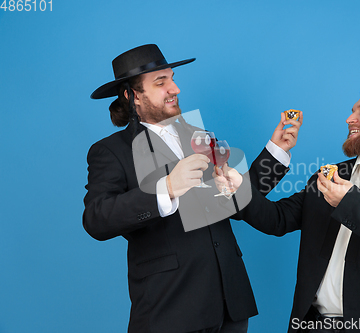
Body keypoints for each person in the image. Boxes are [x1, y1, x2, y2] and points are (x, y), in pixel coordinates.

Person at [83, 44, 302, 333]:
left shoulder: (201, 138)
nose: (175, 88)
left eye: (172, 78)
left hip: (230, 304)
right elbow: (97, 219)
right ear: (132, 95)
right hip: (171, 308)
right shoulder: (111, 151)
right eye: (161, 83)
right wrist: (167, 188)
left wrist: (277, 151)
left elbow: (235, 199)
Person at [218, 85, 360, 332]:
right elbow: (277, 219)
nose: (350, 119)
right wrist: (239, 187)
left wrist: (350, 202)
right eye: (353, 111)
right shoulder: (330, 174)